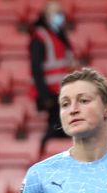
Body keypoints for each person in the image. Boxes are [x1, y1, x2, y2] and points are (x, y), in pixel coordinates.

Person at [29, 0, 75, 156]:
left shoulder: (59, 35)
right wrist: (44, 95)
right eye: (55, 13)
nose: (59, 17)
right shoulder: (40, 37)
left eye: (60, 13)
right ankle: (42, 154)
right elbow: (36, 69)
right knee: (57, 126)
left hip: (62, 91)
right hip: (51, 92)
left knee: (62, 127)